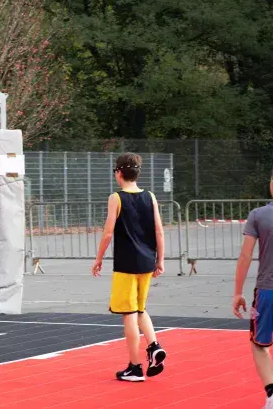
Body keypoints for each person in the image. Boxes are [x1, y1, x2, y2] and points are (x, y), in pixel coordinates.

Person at [91, 153, 166, 382]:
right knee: (140, 309)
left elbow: (108, 232)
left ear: (119, 173)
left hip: (126, 263)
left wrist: (98, 258)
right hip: (147, 261)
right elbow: (159, 230)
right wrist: (160, 260)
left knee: (129, 315)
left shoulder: (116, 198)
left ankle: (135, 367)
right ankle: (154, 346)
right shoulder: (150, 196)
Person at [233, 159, 273, 409]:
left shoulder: (258, 215)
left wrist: (237, 292)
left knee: (259, 344)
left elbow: (245, 256)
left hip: (268, 289)